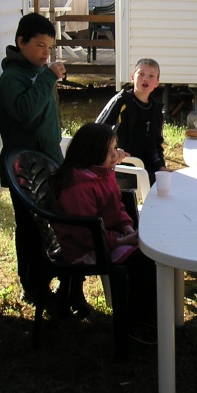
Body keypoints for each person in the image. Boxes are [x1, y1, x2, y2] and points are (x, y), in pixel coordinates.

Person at [51, 123, 157, 333]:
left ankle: (149, 315)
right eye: (109, 151)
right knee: (144, 262)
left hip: (107, 236)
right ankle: (138, 324)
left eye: (115, 148)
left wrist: (127, 227)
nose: (115, 155)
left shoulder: (102, 172)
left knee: (150, 256)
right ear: (91, 152)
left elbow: (116, 205)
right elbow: (85, 235)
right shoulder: (78, 187)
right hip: (86, 248)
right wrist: (124, 241)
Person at [0, 12, 66, 305]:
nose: (45, 53)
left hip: (48, 161)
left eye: (49, 47)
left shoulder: (38, 73)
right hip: (23, 168)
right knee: (29, 229)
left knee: (52, 226)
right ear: (20, 42)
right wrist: (48, 76)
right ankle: (32, 286)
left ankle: (55, 281)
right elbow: (25, 112)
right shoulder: (12, 78)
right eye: (39, 45)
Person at [96, 58, 169, 185]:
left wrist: (161, 167)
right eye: (141, 74)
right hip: (119, 167)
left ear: (157, 82)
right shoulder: (121, 101)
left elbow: (157, 144)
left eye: (151, 76)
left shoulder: (156, 109)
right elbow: (97, 132)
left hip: (145, 167)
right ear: (132, 77)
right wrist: (114, 150)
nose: (145, 79)